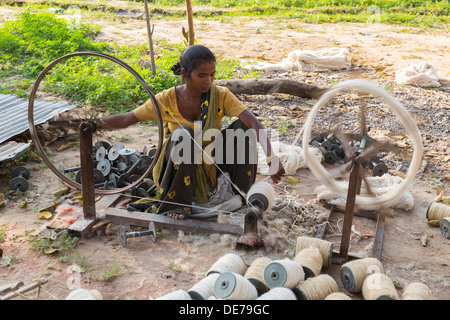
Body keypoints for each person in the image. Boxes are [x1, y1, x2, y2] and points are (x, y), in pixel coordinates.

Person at [102, 45, 284, 219]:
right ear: (185, 73)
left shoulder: (220, 95)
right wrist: (92, 124)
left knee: (243, 129)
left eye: (212, 75)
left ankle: (241, 193)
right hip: (177, 169)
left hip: (211, 166)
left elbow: (253, 122)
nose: (209, 81)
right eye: (202, 76)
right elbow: (128, 118)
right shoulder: (167, 99)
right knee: (184, 134)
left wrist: (272, 157)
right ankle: (177, 204)